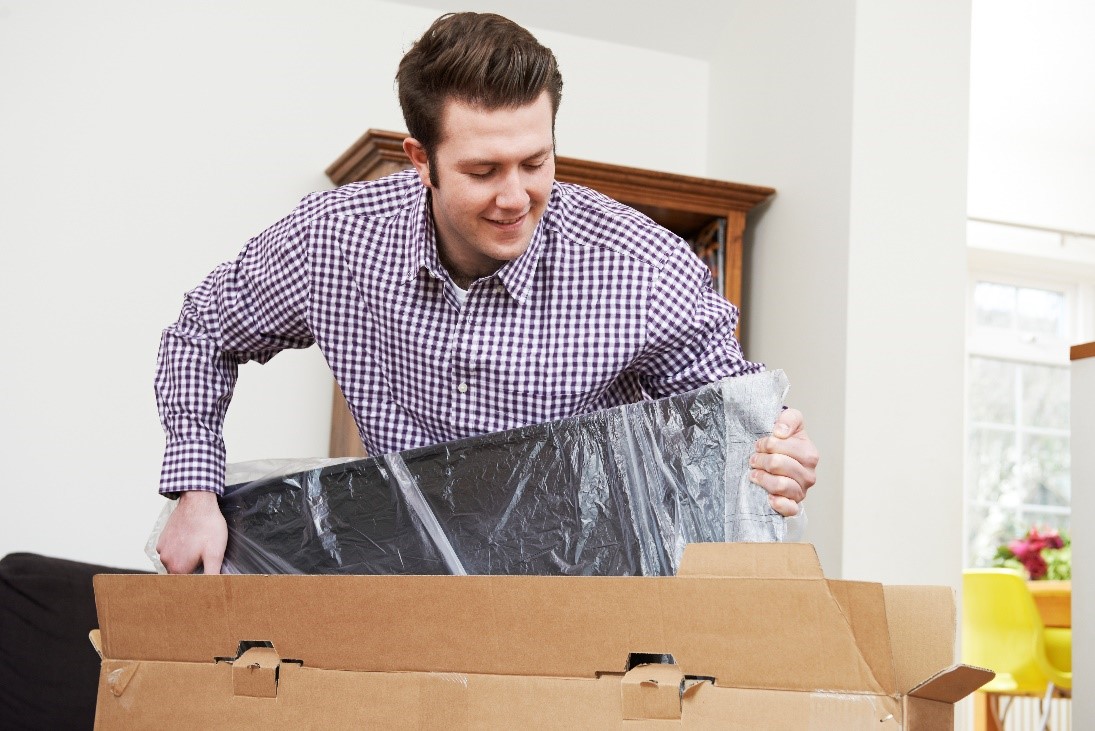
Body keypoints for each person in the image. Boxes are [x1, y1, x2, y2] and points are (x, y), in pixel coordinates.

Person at [155, 12, 819, 575]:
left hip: (586, 596)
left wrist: (778, 455)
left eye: (535, 163)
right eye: (481, 170)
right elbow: (202, 332)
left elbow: (734, 422)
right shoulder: (334, 242)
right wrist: (195, 492)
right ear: (421, 160)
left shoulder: (638, 266)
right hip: (400, 580)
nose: (514, 197)